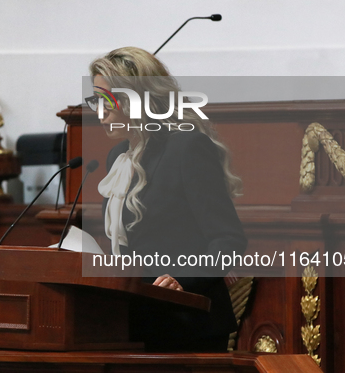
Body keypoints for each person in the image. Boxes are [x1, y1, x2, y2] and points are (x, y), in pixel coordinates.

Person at [86, 47, 248, 351]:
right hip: (134, 317)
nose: (100, 112)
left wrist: (182, 280)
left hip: (185, 321)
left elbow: (228, 240)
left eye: (107, 101)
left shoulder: (186, 147)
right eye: (96, 101)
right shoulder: (117, 157)